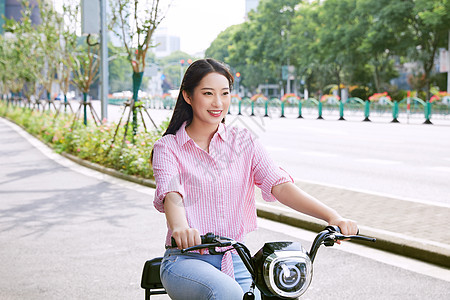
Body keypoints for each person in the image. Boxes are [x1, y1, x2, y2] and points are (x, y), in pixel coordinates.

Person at [151, 58, 358, 300]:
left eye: (224, 93)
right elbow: (172, 194)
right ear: (188, 96)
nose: (218, 102)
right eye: (208, 93)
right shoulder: (168, 148)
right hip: (186, 259)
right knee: (226, 292)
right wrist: (181, 228)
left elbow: (280, 186)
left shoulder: (243, 141)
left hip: (235, 258)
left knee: (275, 290)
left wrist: (333, 217)